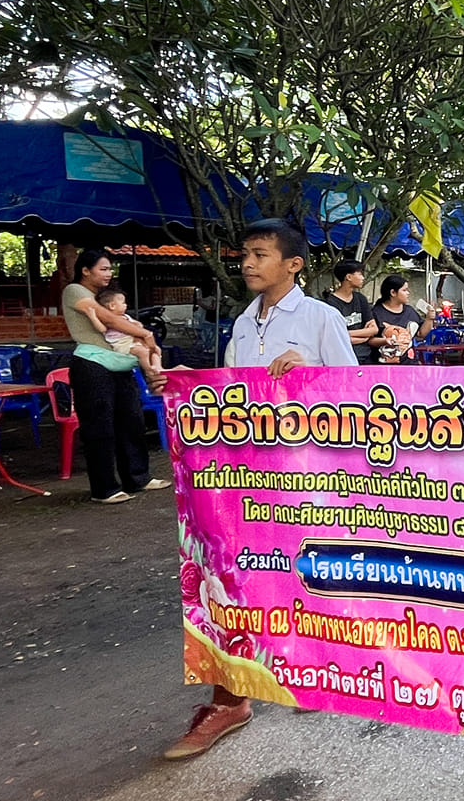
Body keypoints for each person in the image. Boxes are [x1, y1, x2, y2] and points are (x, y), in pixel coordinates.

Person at [165, 220, 357, 762]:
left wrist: (310, 373)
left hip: (308, 476)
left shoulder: (321, 318)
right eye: (244, 254)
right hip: (245, 477)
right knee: (230, 581)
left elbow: (358, 394)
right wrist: (188, 384)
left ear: (294, 264)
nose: (248, 263)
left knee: (306, 577)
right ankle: (229, 701)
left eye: (260, 254)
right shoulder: (243, 324)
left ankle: (315, 671)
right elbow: (233, 395)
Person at [63, 249, 171, 508]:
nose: (108, 273)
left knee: (132, 421)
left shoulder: (105, 296)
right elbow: (109, 319)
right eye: (103, 269)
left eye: (110, 269)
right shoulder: (75, 291)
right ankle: (104, 488)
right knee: (99, 427)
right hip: (92, 364)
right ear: (85, 270)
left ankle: (138, 477)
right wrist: (145, 333)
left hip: (120, 363)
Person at [96, 286, 166, 379]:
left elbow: (138, 324)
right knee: (143, 352)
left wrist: (136, 325)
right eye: (123, 303)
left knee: (156, 349)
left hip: (133, 341)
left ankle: (158, 367)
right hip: (122, 343)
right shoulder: (110, 319)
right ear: (112, 306)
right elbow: (102, 329)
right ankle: (148, 370)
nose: (126, 305)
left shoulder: (126, 316)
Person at [364, 272, 429, 364]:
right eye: (404, 290)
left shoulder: (410, 311)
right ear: (393, 292)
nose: (408, 293)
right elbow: (369, 340)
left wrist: (430, 319)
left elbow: (421, 334)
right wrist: (384, 341)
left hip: (409, 364)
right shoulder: (376, 313)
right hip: (382, 365)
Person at [324, 260, 375, 364]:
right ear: (349, 277)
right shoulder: (330, 303)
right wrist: (364, 336)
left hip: (366, 356)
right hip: (344, 357)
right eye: (360, 274)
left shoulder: (360, 299)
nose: (363, 278)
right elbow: (334, 337)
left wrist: (346, 334)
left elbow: (374, 329)